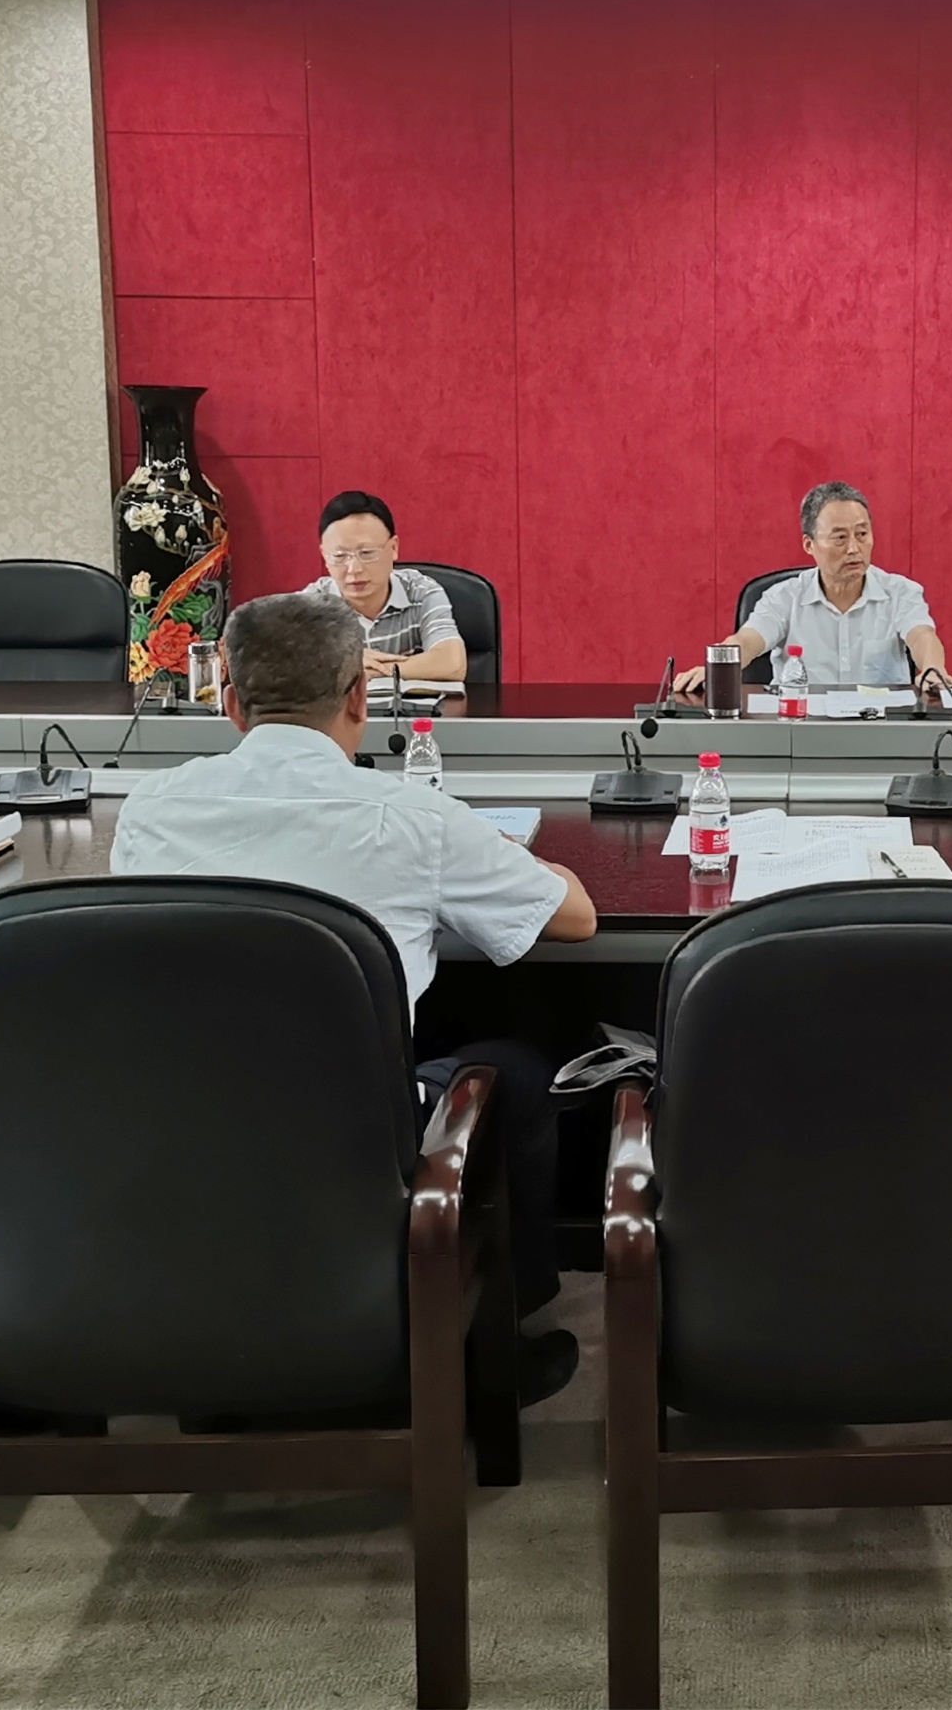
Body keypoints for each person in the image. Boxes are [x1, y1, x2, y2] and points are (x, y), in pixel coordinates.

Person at [110, 591, 597, 1402]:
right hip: (357, 1140)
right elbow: (574, 919)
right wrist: (520, 858)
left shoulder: (150, 808)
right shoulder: (414, 817)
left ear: (230, 703)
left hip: (183, 1130)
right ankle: (492, 1347)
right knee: (514, 1071)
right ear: (359, 699)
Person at [674, 480, 950, 692]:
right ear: (809, 544)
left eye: (862, 534)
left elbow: (922, 636)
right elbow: (747, 641)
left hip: (882, 729)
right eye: (840, 538)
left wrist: (934, 671)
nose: (854, 548)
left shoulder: (900, 592)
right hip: (798, 729)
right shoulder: (783, 598)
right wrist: (718, 668)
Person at [302, 489, 468, 685]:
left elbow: (452, 663)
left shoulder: (420, 592)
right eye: (339, 556)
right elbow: (282, 670)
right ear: (324, 556)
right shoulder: (311, 605)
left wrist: (370, 671)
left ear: (394, 548)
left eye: (367, 553)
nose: (354, 569)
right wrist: (348, 662)